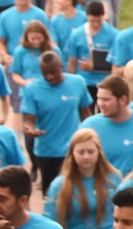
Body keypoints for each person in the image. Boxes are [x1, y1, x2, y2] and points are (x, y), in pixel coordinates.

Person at [23, 52, 95, 194]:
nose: (50, 77)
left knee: (76, 193)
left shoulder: (78, 82)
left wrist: (92, 136)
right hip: (47, 152)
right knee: (51, 194)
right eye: (45, 73)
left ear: (61, 67)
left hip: (73, 151)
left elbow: (86, 113)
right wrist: (29, 130)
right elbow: (29, 120)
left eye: (53, 72)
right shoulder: (32, 89)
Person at [46, 128, 120, 229]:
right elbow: (50, 224)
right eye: (81, 152)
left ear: (99, 152)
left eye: (91, 152)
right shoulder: (59, 185)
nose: (86, 156)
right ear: (72, 154)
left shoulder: (114, 180)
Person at [79, 74, 133, 176]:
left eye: (106, 100)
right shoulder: (89, 126)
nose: (100, 104)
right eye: (99, 99)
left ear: (123, 100)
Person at [66, 0, 118, 102]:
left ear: (103, 16)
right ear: (87, 16)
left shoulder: (113, 34)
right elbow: (72, 62)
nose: (95, 24)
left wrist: (94, 65)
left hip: (106, 82)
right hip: (84, 82)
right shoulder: (77, 35)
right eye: (92, 21)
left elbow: (117, 62)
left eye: (98, 21)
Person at [8, 22, 56, 120]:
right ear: (27, 37)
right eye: (33, 39)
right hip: (29, 93)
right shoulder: (20, 51)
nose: (36, 42)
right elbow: (15, 74)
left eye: (39, 38)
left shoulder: (53, 50)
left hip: (50, 91)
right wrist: (25, 83)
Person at [0, 0, 50, 64]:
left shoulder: (40, 15)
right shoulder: (4, 16)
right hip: (13, 61)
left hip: (36, 61)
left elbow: (48, 39)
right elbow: (1, 42)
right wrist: (4, 55)